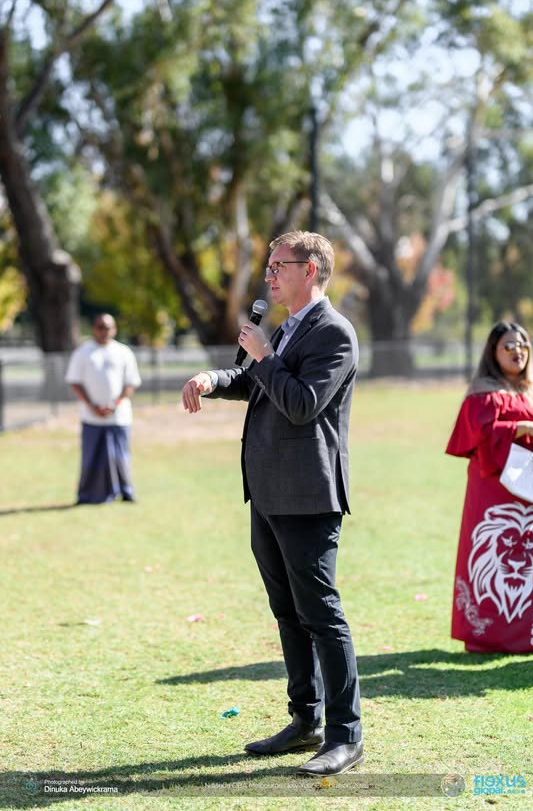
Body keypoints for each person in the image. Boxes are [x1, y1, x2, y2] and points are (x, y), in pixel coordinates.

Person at [182, 231, 363, 776]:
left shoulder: (334, 333)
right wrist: (215, 378)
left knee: (321, 614)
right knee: (287, 611)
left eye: (278, 266)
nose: (269, 276)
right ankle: (304, 718)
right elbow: (259, 381)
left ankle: (344, 735)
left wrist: (262, 356)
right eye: (269, 266)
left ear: (309, 270)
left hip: (307, 495)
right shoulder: (286, 328)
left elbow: (302, 404)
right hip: (266, 491)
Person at [446, 321, 533, 653]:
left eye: (522, 345)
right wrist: (519, 427)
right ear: (493, 352)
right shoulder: (483, 392)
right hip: (494, 493)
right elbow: (476, 436)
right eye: (508, 346)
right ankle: (488, 636)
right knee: (494, 555)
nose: (516, 351)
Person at [65, 313, 142, 504]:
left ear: (114, 329)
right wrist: (91, 405)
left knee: (120, 456)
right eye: (100, 327)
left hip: (119, 416)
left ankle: (125, 491)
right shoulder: (83, 352)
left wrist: (115, 404)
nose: (103, 331)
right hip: (91, 417)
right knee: (92, 457)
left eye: (107, 327)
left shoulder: (123, 352)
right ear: (94, 329)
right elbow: (75, 382)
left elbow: (131, 382)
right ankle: (88, 495)